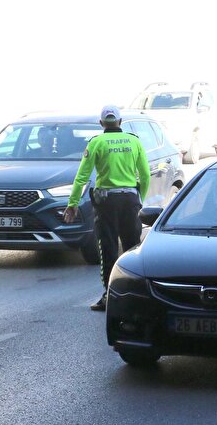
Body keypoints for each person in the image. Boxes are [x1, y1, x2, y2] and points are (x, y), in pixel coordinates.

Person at [63, 106, 152, 312]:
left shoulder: (96, 142)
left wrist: (72, 203)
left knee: (108, 247)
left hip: (107, 203)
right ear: (120, 122)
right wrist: (140, 199)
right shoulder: (134, 141)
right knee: (132, 248)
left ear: (102, 123)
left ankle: (109, 295)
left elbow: (82, 177)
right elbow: (145, 175)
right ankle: (136, 294)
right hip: (130, 200)